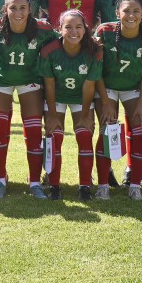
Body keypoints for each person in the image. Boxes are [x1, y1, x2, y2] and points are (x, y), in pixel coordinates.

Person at [0, 0, 57, 199]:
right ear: (4, 9)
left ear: (30, 9)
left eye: (23, 7)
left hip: (29, 79)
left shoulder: (42, 28)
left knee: (33, 133)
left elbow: (65, 41)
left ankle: (34, 182)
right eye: (13, 7)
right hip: (0, 80)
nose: (18, 12)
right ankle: (0, 180)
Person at [94, 0, 142, 201]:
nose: (131, 15)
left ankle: (135, 185)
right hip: (106, 87)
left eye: (136, 11)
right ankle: (103, 185)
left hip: (133, 87)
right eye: (126, 11)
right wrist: (105, 102)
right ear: (117, 13)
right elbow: (96, 69)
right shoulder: (104, 31)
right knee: (108, 130)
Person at [40, 10, 101, 200]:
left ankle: (84, 186)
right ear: (59, 29)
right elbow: (49, 85)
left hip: (81, 99)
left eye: (78, 27)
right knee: (55, 138)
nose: (73, 31)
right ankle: (54, 185)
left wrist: (84, 115)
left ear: (85, 29)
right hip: (56, 97)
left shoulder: (94, 51)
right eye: (68, 27)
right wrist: (50, 115)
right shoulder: (49, 51)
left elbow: (89, 86)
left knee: (84, 137)